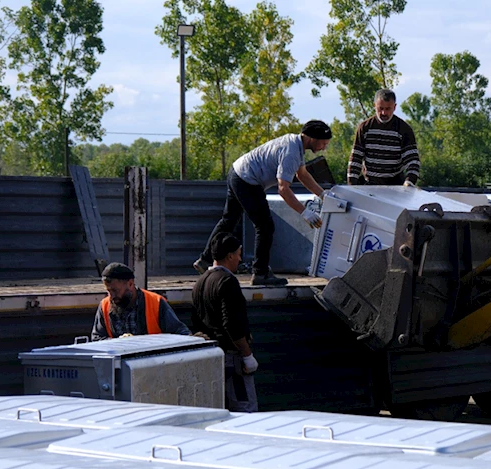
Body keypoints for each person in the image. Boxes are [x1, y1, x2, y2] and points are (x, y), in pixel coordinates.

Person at [194, 120, 333, 286]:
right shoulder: (291, 152)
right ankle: (260, 273)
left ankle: (204, 260)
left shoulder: (295, 144)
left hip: (238, 172)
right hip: (247, 180)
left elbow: (302, 175)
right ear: (311, 138)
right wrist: (305, 213)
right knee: (265, 226)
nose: (324, 148)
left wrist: (324, 195)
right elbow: (283, 189)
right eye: (323, 143)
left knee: (229, 220)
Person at [192, 233, 259, 412]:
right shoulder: (228, 281)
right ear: (229, 256)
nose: (239, 258)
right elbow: (232, 324)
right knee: (245, 411)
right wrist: (247, 355)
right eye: (238, 254)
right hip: (232, 359)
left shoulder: (200, 282)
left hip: (211, 356)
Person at [91, 262, 191, 341]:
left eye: (115, 291)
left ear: (130, 284)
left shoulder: (155, 302)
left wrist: (194, 341)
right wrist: (119, 343)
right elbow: (97, 339)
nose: (112, 296)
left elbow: (179, 332)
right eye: (108, 291)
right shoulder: (105, 306)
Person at [347, 89, 421, 186]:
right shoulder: (365, 128)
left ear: (394, 107)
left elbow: (413, 161)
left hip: (396, 185)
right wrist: (352, 185)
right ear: (374, 106)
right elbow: (355, 159)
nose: (383, 113)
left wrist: (409, 181)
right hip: (370, 184)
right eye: (380, 108)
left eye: (388, 109)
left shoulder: (404, 129)